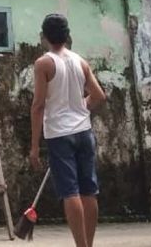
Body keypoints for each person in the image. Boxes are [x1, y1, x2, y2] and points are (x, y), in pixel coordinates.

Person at [29, 14, 106, 247]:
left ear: (44, 36)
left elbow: (39, 105)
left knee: (70, 192)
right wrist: (81, 107)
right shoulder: (80, 61)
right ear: (66, 35)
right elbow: (100, 96)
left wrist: (34, 146)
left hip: (60, 135)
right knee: (88, 190)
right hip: (84, 132)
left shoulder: (44, 63)